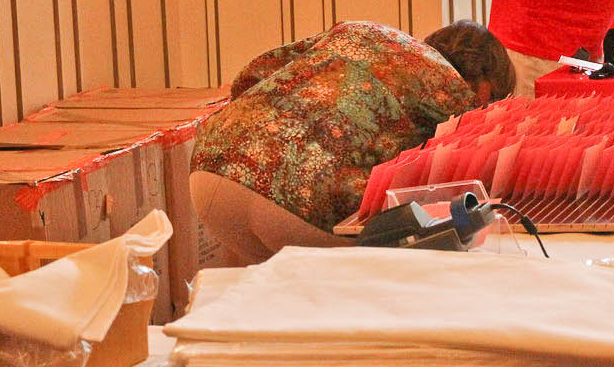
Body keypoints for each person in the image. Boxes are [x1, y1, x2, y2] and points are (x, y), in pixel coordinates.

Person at [190, 20, 514, 265]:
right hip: (300, 205)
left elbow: (251, 75)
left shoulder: (363, 31)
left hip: (211, 165)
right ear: (485, 82)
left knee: (273, 303)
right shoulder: (454, 92)